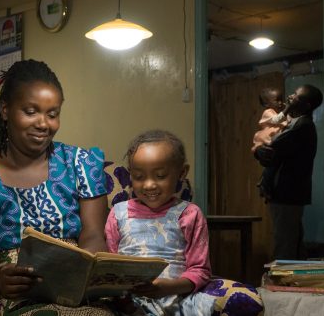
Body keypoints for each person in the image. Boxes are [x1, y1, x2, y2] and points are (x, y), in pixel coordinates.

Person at [0, 59, 111, 315]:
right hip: (19, 289)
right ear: (5, 110)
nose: (43, 123)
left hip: (77, 281)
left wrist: (82, 267)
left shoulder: (80, 163)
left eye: (52, 113)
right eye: (30, 111)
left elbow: (93, 234)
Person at [105, 130, 263, 316]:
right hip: (129, 301)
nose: (149, 185)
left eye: (160, 175)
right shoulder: (118, 213)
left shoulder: (189, 213)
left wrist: (169, 287)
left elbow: (200, 270)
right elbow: (109, 263)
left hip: (179, 298)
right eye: (139, 177)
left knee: (247, 301)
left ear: (181, 173)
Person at [254, 84, 323, 261]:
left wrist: (258, 151)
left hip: (287, 193)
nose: (290, 97)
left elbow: (270, 151)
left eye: (296, 96)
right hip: (290, 193)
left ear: (306, 105)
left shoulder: (302, 126)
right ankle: (297, 285)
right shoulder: (295, 123)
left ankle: (281, 286)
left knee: (285, 246)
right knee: (294, 244)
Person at [251, 87, 288, 153]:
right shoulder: (268, 112)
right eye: (277, 100)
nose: (280, 102)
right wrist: (287, 109)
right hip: (269, 134)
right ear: (266, 104)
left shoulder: (280, 111)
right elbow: (276, 120)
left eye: (281, 100)